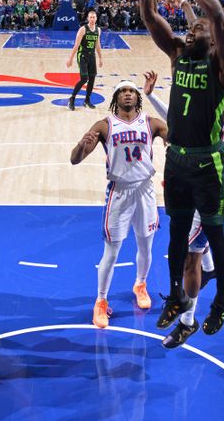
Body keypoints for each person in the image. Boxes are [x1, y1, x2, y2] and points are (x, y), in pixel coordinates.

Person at [139, 0, 224, 343]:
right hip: (176, 161)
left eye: (200, 28)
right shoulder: (179, 54)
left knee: (207, 243)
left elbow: (215, 15)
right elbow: (149, 16)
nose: (193, 28)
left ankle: (218, 298)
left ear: (214, 39)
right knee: (178, 238)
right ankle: (180, 298)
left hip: (206, 165)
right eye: (190, 26)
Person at [143, 68, 224, 348]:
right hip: (191, 188)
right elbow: (176, 115)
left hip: (207, 194)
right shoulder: (200, 109)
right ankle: (208, 271)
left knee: (188, 259)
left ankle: (187, 322)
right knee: (196, 251)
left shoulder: (219, 116)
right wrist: (150, 96)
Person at [70, 80, 168, 328]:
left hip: (145, 191)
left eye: (131, 92)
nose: (127, 95)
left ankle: (140, 284)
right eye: (122, 91)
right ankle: (101, 301)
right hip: (120, 193)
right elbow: (75, 159)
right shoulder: (104, 125)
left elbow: (178, 138)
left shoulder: (151, 122)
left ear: (137, 97)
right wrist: (82, 145)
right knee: (111, 253)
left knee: (146, 247)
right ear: (115, 98)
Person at [65, 9, 103, 111]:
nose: (92, 19)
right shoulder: (83, 29)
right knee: (84, 78)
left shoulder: (98, 30)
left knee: (92, 78)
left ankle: (87, 100)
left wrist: (100, 58)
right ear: (87, 18)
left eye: (94, 17)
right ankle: (72, 98)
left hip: (92, 56)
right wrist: (70, 59)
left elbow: (97, 44)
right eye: (90, 17)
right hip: (82, 55)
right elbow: (76, 45)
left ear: (96, 18)